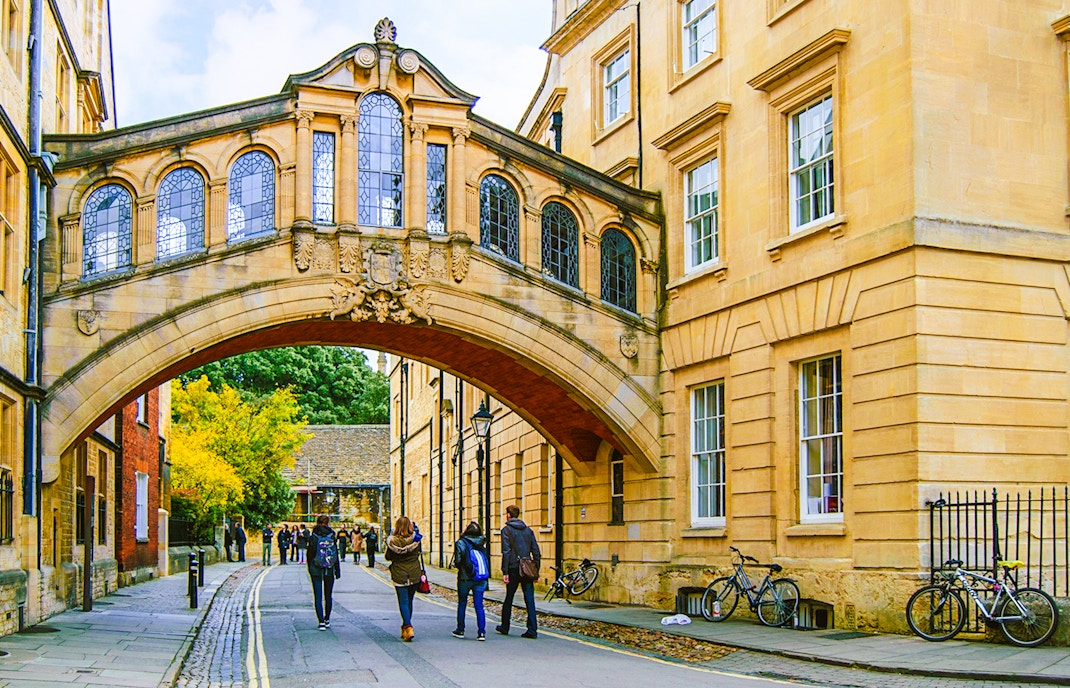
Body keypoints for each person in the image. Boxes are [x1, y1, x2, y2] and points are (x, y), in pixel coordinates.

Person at [496, 504, 541, 639]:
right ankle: (532, 630)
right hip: (527, 568)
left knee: (509, 597)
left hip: (513, 568)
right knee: (529, 599)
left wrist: (505, 572)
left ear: (508, 515)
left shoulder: (506, 530)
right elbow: (536, 552)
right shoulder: (528, 531)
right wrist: (536, 571)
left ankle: (505, 626)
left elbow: (506, 552)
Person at [385, 516, 423, 641]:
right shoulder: (416, 540)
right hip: (414, 573)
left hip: (399, 573)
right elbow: (419, 553)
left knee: (403, 602)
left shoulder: (392, 541)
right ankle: (405, 629)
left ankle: (408, 626)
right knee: (409, 601)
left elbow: (388, 557)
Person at [452, 521, 489, 640]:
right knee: (479, 605)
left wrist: (461, 567)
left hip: (465, 578)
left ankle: (460, 630)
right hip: (480, 577)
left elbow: (458, 561)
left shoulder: (461, 543)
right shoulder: (481, 542)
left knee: (462, 603)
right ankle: (481, 632)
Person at [306, 514, 341, 630]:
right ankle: (327, 619)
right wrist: (337, 570)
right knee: (328, 595)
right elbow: (335, 553)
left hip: (315, 568)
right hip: (329, 568)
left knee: (318, 595)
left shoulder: (314, 536)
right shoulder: (332, 535)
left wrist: (309, 567)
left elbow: (310, 554)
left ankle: (320, 621)